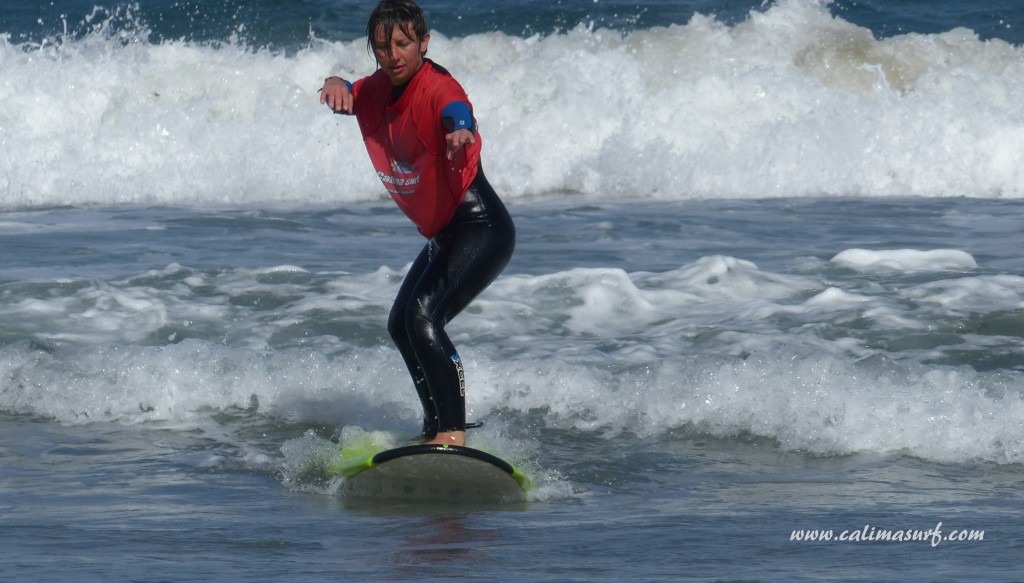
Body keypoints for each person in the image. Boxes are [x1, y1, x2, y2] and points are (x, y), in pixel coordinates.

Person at [319, 0, 515, 447]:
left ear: (424, 43)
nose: (394, 56)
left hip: (480, 226)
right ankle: (436, 427)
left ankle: (453, 433)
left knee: (424, 317)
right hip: (446, 233)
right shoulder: (378, 88)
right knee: (401, 323)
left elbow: (456, 107)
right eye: (383, 47)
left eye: (404, 44)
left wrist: (460, 128)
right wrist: (333, 82)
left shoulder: (437, 85)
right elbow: (352, 89)